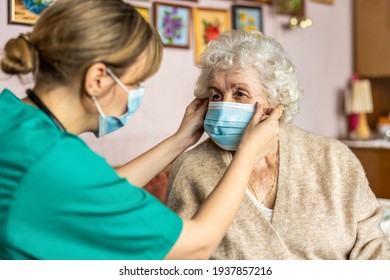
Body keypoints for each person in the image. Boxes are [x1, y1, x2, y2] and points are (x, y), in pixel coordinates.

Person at [0, 0, 282, 260]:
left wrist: (179, 140)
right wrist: (247, 153)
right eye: (135, 82)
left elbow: (95, 190)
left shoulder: (12, 116)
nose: (135, 94)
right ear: (98, 79)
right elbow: (195, 246)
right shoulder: (54, 159)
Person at [166, 30, 390, 259]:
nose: (225, 105)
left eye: (240, 93)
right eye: (216, 95)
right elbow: (181, 261)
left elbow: (373, 248)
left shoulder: (334, 158)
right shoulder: (190, 169)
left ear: (275, 103)